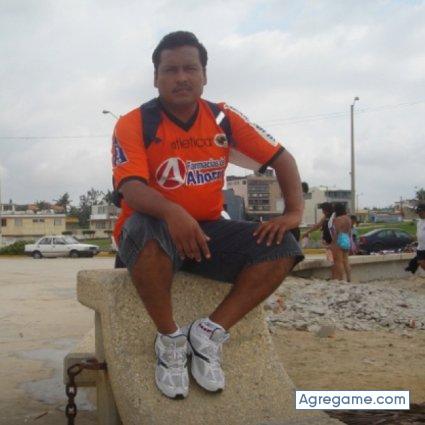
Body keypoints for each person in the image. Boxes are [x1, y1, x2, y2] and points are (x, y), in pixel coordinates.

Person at [111, 31, 304, 399]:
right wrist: (173, 212)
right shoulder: (133, 122)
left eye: (190, 68)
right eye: (170, 70)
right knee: (146, 229)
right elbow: (131, 187)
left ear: (204, 75)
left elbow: (283, 159)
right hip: (150, 232)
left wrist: (293, 213)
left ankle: (208, 333)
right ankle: (170, 340)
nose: (181, 77)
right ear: (155, 78)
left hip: (207, 231)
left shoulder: (223, 117)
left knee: (282, 247)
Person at [330, 203, 352, 281]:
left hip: (339, 239)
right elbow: (350, 232)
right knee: (346, 261)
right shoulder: (348, 219)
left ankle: (341, 279)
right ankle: (349, 278)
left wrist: (332, 243)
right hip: (347, 239)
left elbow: (336, 232)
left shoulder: (338, 219)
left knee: (339, 261)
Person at [406, 203, 425, 273]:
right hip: (420, 247)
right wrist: (413, 239)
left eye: (421, 212)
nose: (419, 214)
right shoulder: (419, 222)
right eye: (418, 212)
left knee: (421, 262)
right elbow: (419, 233)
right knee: (420, 262)